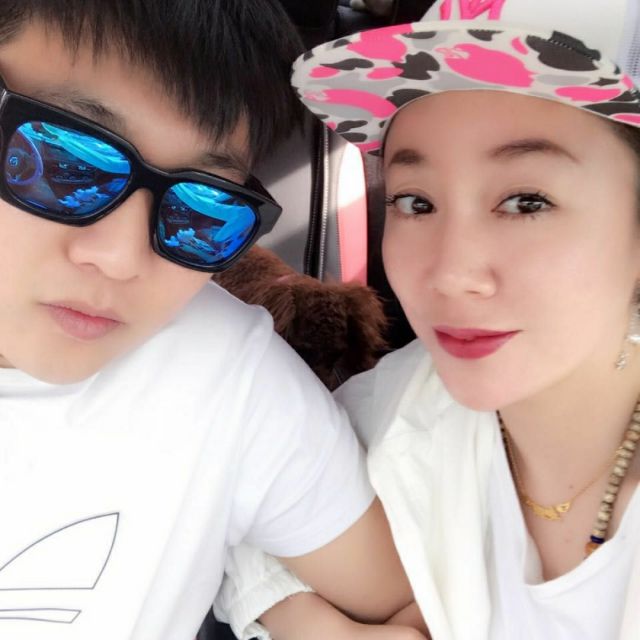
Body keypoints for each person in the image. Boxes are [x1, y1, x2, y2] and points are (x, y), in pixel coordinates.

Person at [213, 1, 640, 638]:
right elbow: (253, 526)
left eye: (526, 202)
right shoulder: (394, 406)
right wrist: (301, 619)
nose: (449, 272)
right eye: (415, 202)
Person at [0, 1, 421, 638]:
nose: (121, 258)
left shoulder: (229, 379)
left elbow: (417, 604)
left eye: (202, 211)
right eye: (65, 165)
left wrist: (280, 605)